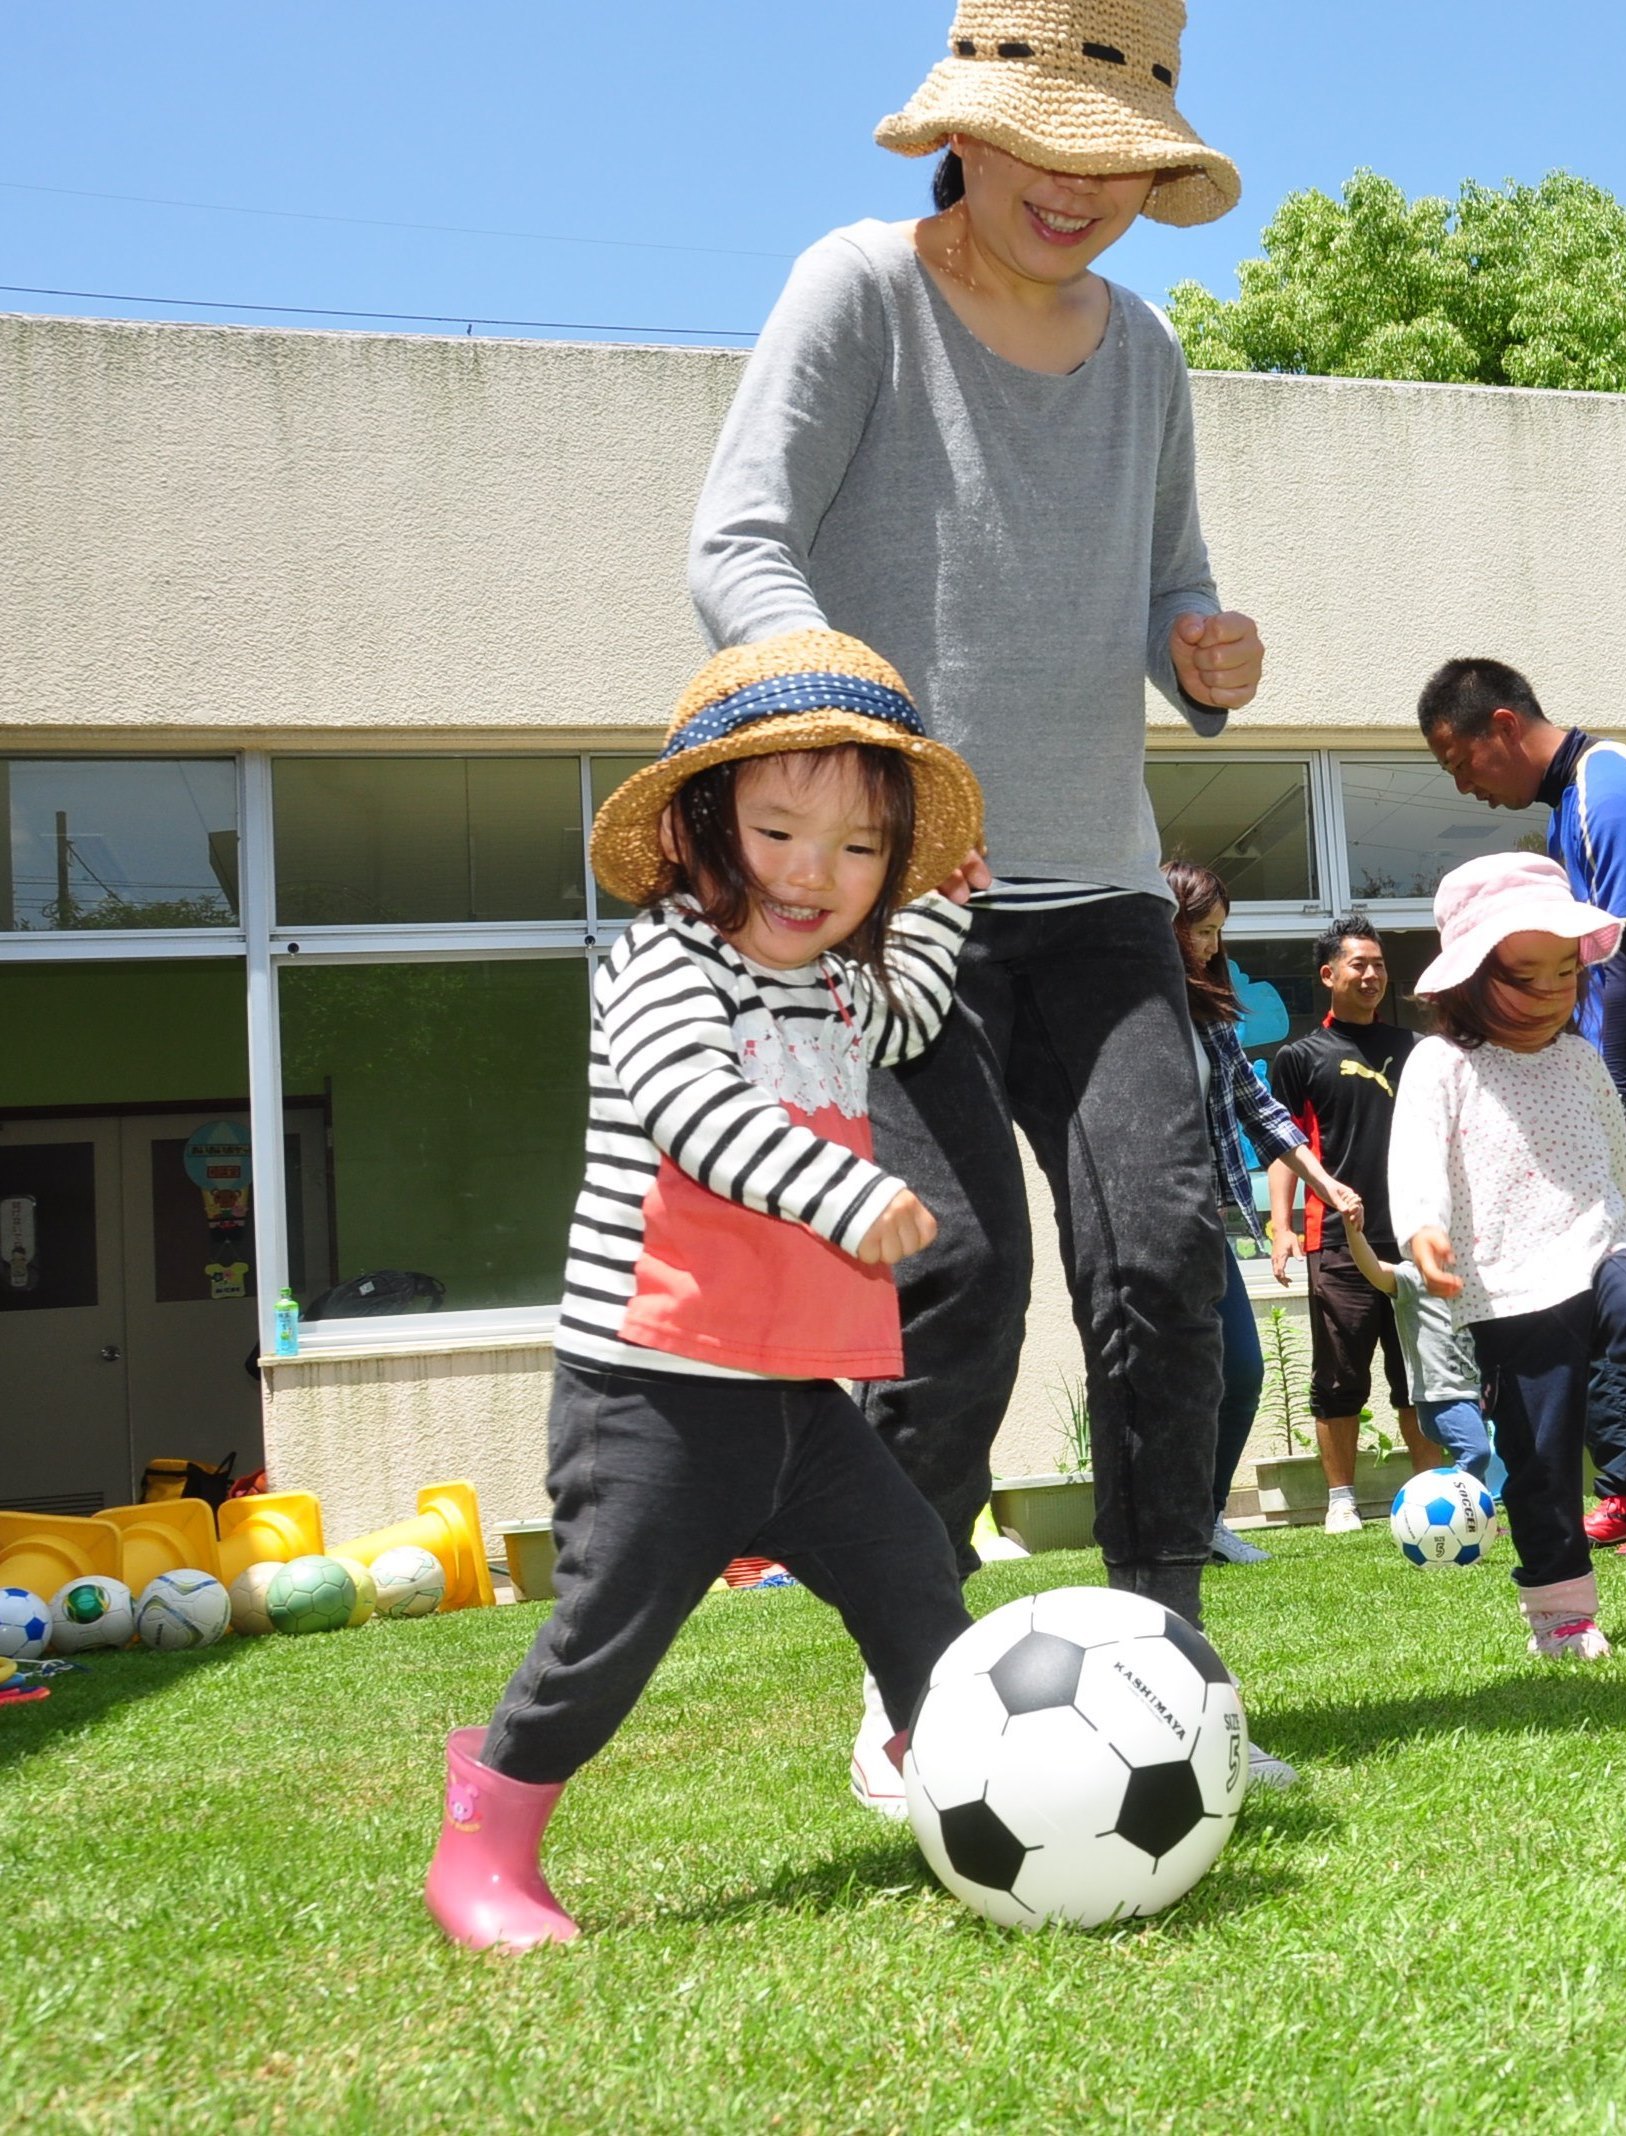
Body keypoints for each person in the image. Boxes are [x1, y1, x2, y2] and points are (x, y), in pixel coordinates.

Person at [688, 2, 1274, 1811]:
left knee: (1166, 1259)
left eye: (1114, 164)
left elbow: (1178, 598)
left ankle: (1165, 1645)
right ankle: (911, 1674)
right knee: (949, 1276)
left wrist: (1209, 656)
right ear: (966, 130)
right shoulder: (859, 288)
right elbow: (735, 541)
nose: (1075, 191)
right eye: (1045, 146)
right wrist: (853, 739)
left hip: (1097, 888)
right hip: (901, 901)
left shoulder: (1148, 354)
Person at [423, 632, 989, 1951]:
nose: (814, 874)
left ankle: (972, 1781)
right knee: (610, 1634)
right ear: (695, 830)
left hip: (798, 1392)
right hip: (651, 1390)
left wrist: (948, 908)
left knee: (912, 1574)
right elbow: (694, 1110)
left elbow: (904, 1020)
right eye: (779, 830)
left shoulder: (845, 986)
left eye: (859, 851)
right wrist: (843, 1194)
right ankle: (486, 1833)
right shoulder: (658, 966)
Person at [1416, 657, 1626, 1548]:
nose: (1467, 787)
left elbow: (1624, 969)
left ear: (1500, 726)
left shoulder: (1607, 789)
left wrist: (1625, 1108)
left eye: (1461, 763)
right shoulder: (1575, 802)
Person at [1388, 853, 1626, 1660]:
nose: (1551, 995)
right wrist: (1421, 1230)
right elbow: (1416, 1158)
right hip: (1510, 1284)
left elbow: (1620, 1158)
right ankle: (1561, 1613)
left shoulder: (1581, 1061)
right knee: (1537, 1454)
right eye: (1525, 977)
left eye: (1567, 974)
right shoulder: (1442, 1065)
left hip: (1603, 1243)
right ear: (1466, 978)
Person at [1165, 860, 1365, 1564]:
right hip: (1140, 1223)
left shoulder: (1211, 1013)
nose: (1213, 948)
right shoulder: (1130, 1005)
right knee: (1154, 1377)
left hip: (1201, 1218)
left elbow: (1262, 1110)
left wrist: (1325, 1182)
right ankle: (1157, 1528)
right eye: (1203, 930)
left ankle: (1204, 1519)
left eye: (1220, 933)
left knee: (1241, 1368)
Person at [1267, 915, 1443, 1534]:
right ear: (1328, 974)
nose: (1371, 975)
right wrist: (1282, 1227)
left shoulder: (1416, 1050)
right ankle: (1341, 1499)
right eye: (1357, 965)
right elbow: (1283, 1145)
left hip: (1416, 1236)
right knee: (1340, 1375)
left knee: (1419, 1375)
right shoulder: (1299, 1057)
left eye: (1378, 965)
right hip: (1339, 1239)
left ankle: (1429, 1495)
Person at [1331, 1203, 1501, 1496]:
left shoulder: (1474, 1279)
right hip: (1441, 1397)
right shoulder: (1413, 1278)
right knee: (1477, 1453)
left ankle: (1476, 1524)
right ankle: (1437, 1500)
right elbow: (1372, 1269)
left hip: (1473, 1395)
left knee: (1478, 1463)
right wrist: (1352, 1229)